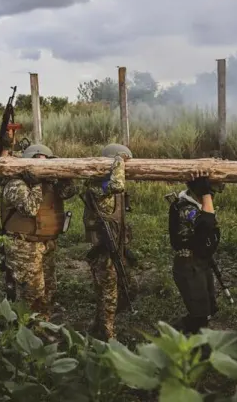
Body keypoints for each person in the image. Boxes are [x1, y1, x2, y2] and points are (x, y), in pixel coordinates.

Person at [0, 144, 77, 321]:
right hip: (24, 246)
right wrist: (35, 184)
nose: (42, 166)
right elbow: (30, 208)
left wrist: (64, 176)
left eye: (45, 162)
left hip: (47, 242)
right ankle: (29, 332)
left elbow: (69, 192)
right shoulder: (15, 184)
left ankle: (44, 322)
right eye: (38, 162)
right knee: (32, 293)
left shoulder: (49, 182)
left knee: (49, 289)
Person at [81, 143, 136, 340]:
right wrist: (119, 161)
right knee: (109, 293)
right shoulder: (97, 185)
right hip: (103, 250)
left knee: (113, 288)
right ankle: (107, 334)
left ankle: (98, 326)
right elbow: (117, 185)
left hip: (116, 246)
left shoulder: (106, 185)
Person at [166, 170, 221, 335]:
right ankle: (170, 335)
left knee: (208, 309)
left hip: (200, 263)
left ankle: (189, 337)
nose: (212, 197)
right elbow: (207, 224)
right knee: (200, 316)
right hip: (189, 266)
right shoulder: (186, 208)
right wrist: (205, 193)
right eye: (210, 193)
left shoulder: (195, 204)